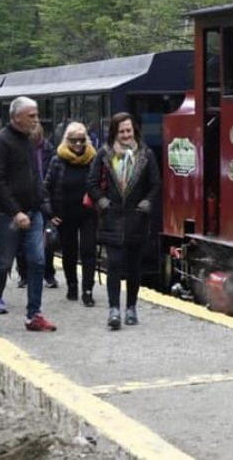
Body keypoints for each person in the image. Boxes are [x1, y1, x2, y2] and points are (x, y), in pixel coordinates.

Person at [0, 96, 56, 332]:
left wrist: (45, 204)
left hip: (34, 211)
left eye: (37, 115)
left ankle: (34, 315)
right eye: (32, 115)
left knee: (38, 261)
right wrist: (15, 212)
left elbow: (35, 175)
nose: (36, 120)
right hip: (7, 215)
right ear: (17, 116)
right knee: (3, 263)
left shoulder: (29, 140)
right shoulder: (1, 141)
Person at [88, 112, 159, 330]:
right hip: (112, 218)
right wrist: (103, 203)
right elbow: (91, 183)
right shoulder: (104, 154)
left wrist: (147, 203)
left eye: (129, 130)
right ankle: (114, 310)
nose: (126, 134)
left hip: (137, 219)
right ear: (115, 133)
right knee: (115, 264)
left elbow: (155, 184)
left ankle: (131, 307)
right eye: (122, 131)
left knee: (134, 266)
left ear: (134, 130)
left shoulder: (146, 154)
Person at [43, 122, 98, 306]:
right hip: (64, 213)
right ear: (67, 141)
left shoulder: (93, 159)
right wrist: (50, 212)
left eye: (81, 140)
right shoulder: (57, 160)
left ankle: (88, 290)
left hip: (88, 213)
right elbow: (46, 188)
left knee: (89, 251)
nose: (77, 144)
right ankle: (72, 286)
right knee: (69, 252)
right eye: (73, 140)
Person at [16, 123, 59, 289]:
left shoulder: (49, 150)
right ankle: (24, 274)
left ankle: (48, 273)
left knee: (47, 240)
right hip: (24, 200)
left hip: (45, 199)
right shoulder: (19, 151)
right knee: (21, 241)